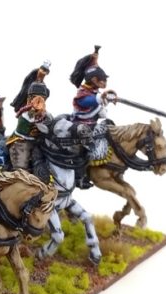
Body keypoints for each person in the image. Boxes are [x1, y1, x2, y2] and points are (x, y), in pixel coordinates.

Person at [69, 46, 117, 188]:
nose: (105, 83)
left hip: (93, 124)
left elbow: (100, 101)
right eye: (103, 80)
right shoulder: (83, 93)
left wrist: (109, 97)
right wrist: (102, 98)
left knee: (110, 127)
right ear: (95, 80)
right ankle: (80, 178)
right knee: (83, 149)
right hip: (81, 125)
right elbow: (89, 101)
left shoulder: (95, 91)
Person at [6, 61, 52, 177]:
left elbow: (49, 124)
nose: (39, 101)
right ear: (29, 98)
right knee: (21, 168)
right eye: (35, 97)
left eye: (42, 98)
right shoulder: (27, 114)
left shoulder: (44, 113)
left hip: (36, 142)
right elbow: (39, 127)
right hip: (21, 142)